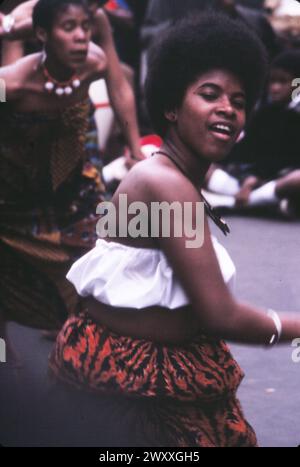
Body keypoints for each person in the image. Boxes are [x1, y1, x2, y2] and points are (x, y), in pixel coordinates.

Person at [49, 13, 300, 447]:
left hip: (164, 377)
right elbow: (221, 315)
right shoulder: (164, 184)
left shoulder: (168, 177)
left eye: (239, 101)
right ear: (170, 106)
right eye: (210, 94)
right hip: (130, 390)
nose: (228, 108)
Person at [0, 0, 142, 362]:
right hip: (17, 165)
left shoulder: (95, 40)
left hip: (73, 160)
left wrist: (135, 147)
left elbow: (119, 86)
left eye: (85, 27)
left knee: (100, 244)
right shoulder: (12, 79)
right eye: (69, 28)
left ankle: (80, 335)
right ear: (43, 34)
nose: (82, 37)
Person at [205, 50, 300, 215]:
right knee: (202, 166)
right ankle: (262, 204)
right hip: (247, 180)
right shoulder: (265, 113)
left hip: (277, 178)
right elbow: (247, 149)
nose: (275, 88)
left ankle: (230, 203)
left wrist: (254, 179)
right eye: (272, 81)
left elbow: (287, 158)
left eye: (283, 81)